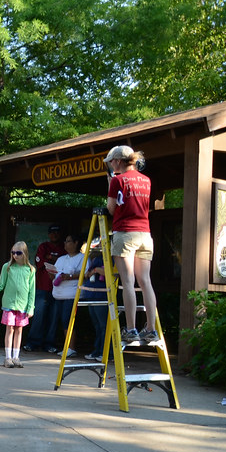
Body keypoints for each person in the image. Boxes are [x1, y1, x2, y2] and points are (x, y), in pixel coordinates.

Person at [105, 146, 159, 346]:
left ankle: (131, 329)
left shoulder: (118, 180)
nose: (111, 165)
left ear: (118, 161)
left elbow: (111, 209)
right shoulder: (146, 180)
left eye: (111, 162)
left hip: (125, 233)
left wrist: (111, 183)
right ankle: (151, 330)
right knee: (145, 282)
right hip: (145, 234)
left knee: (127, 283)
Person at [0, 241, 36, 368]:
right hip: (9, 303)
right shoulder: (8, 266)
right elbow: (1, 284)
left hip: (22, 305)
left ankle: (16, 356)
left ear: (25, 253)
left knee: (19, 330)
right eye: (13, 252)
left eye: (18, 253)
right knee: (9, 328)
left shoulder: (30, 270)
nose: (15, 255)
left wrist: (31, 307)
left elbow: (32, 290)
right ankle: (8, 357)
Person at [25, 225, 65, 353]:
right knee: (38, 316)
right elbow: (40, 262)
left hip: (58, 289)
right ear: (48, 234)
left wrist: (51, 258)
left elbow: (64, 263)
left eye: (57, 232)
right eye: (52, 232)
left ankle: (49, 344)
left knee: (54, 317)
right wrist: (56, 259)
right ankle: (32, 342)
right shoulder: (43, 246)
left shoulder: (64, 248)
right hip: (42, 288)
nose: (54, 235)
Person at [50, 233, 84, 357]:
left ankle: (71, 347)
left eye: (68, 241)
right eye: (65, 241)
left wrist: (69, 276)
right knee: (62, 320)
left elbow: (84, 274)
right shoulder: (61, 259)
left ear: (76, 243)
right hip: (59, 294)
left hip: (72, 294)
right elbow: (55, 274)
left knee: (68, 320)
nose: (65, 243)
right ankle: (67, 346)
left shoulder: (82, 258)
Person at [82, 245, 108, 362]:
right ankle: (97, 351)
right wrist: (92, 271)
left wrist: (96, 270)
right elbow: (87, 274)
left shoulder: (112, 257)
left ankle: (105, 352)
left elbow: (110, 272)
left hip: (102, 295)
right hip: (91, 295)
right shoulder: (96, 258)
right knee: (97, 326)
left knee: (104, 326)